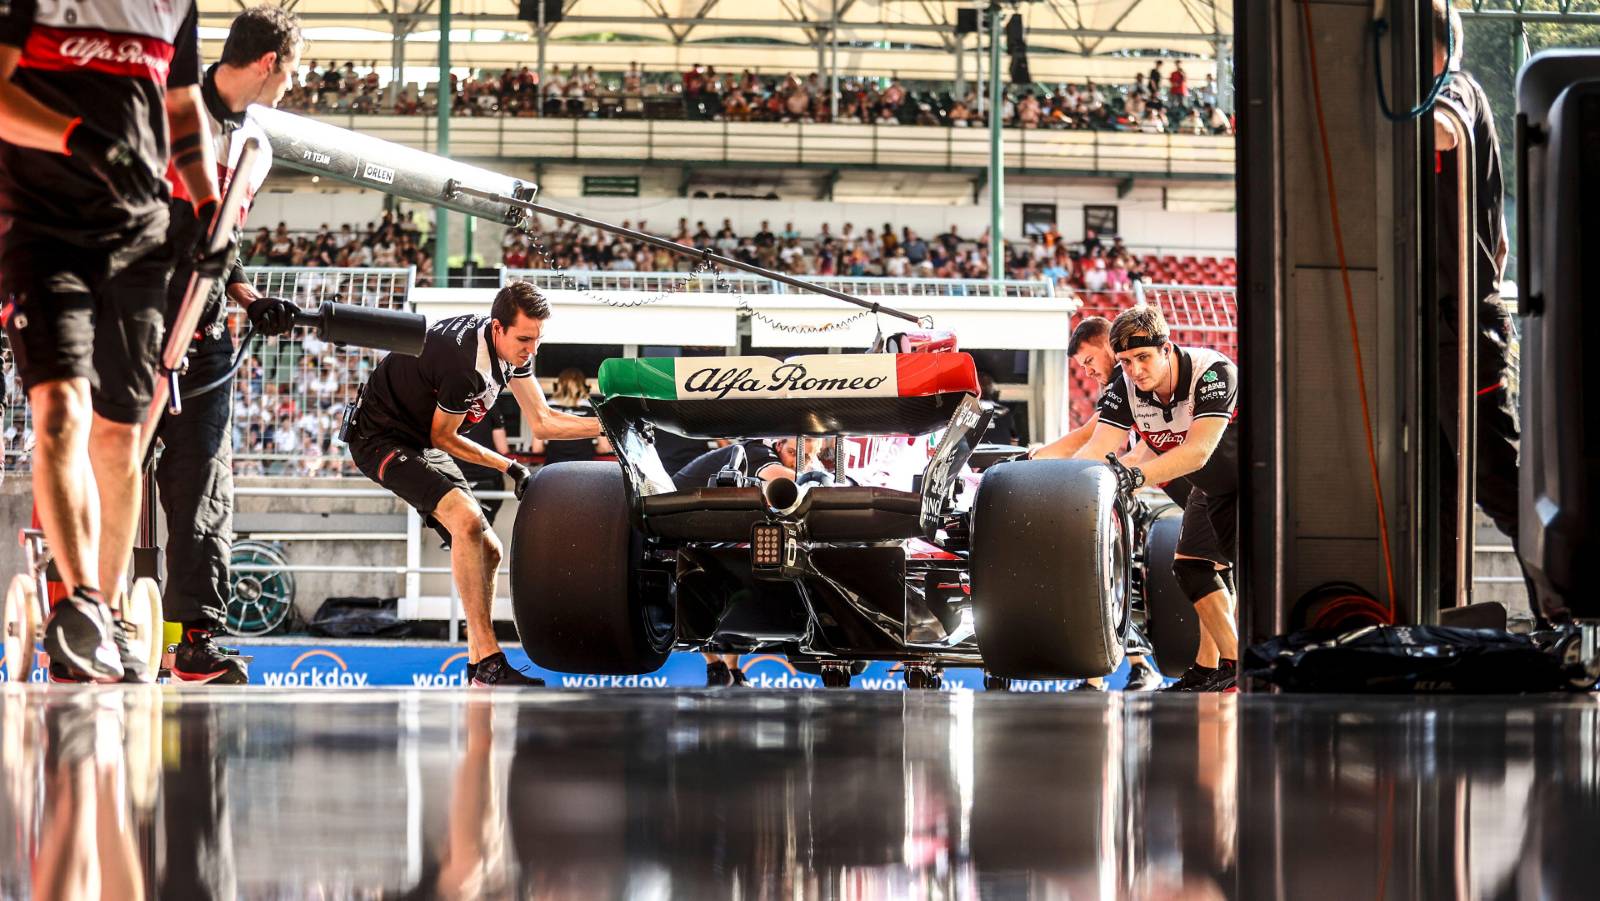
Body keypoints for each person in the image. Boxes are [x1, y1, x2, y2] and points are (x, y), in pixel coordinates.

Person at [0, 0, 219, 682]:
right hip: (40, 230)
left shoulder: (174, 5)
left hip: (137, 236)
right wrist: (83, 140)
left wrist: (209, 204)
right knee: (61, 411)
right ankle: (84, 604)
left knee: (122, 435)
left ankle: (108, 612)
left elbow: (182, 107)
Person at [345, 281, 602, 686]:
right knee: (465, 521)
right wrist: (510, 465)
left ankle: (477, 667)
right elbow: (445, 438)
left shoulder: (511, 350)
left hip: (419, 438)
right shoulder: (465, 366)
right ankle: (490, 660)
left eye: (538, 340)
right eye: (524, 339)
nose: (531, 350)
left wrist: (609, 424)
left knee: (490, 549)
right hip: (379, 439)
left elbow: (543, 421)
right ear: (497, 328)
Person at [155, 5, 304, 686]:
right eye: (291, 73)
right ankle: (93, 612)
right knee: (116, 471)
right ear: (270, 63)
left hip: (208, 337)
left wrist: (247, 298)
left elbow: (224, 235)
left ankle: (193, 641)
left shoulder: (251, 142)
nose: (289, 88)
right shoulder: (168, 108)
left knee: (204, 486)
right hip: (141, 323)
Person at [1072, 307, 1240, 692]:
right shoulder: (1127, 387)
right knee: (1192, 568)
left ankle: (1244, 670)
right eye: (1127, 362)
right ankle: (1220, 668)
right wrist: (1049, 480)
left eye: (1144, 358)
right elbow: (1100, 448)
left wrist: (1131, 475)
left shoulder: (1212, 371)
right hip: (1209, 487)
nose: (1135, 371)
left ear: (1167, 349)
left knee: (1248, 577)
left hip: (1254, 480)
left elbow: (1198, 453)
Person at [1429, 0, 1533, 611]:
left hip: (1467, 330)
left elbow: (1444, 129)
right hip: (1437, 331)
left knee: (1500, 481)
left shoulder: (1454, 89)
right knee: (1440, 494)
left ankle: (1567, 612)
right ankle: (1444, 616)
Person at [1031, 316, 1167, 692]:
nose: (1088, 373)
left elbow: (1136, 447)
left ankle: (1129, 669)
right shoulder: (1120, 390)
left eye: (1089, 362)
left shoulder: (1136, 382)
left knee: (1105, 582)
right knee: (1103, 583)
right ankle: (1114, 672)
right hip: (1130, 490)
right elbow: (1088, 433)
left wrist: (1058, 480)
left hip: (1136, 493)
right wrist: (1035, 460)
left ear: (1109, 345)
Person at [672, 438, 817, 687]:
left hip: (707, 533)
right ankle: (713, 664)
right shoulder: (757, 452)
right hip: (675, 523)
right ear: (778, 445)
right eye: (793, 452)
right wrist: (817, 475)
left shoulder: (767, 476)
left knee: (738, 581)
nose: (795, 461)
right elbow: (792, 480)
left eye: (804, 457)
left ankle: (730, 669)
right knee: (695, 586)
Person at [530, 368, 609, 466]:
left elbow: (536, 449)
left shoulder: (547, 407)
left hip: (553, 469)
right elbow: (605, 448)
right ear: (582, 386)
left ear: (559, 385)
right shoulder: (593, 408)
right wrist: (590, 448)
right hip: (583, 470)